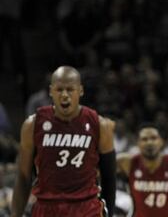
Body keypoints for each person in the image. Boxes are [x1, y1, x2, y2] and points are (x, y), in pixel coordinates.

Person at [11, 66, 116, 217]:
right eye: (59, 89)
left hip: (86, 208)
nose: (65, 95)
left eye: (70, 89)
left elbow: (109, 178)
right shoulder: (32, 125)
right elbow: (23, 176)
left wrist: (109, 213)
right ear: (50, 91)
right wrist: (15, 214)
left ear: (80, 91)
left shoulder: (99, 125)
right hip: (47, 208)